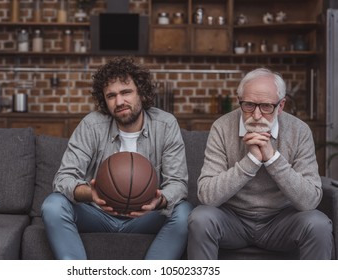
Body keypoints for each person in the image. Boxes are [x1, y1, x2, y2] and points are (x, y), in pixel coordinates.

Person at [41, 57, 192, 260]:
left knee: (185, 211)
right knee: (53, 205)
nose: (119, 102)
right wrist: (89, 193)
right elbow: (63, 179)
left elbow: (178, 183)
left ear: (141, 92)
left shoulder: (165, 124)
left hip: (146, 217)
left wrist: (159, 201)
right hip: (97, 215)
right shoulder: (91, 125)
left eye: (126, 92)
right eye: (111, 96)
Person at [187, 68, 333, 259]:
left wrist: (272, 158)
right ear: (239, 102)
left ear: (280, 106)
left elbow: (310, 200)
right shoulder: (222, 127)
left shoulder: (299, 130)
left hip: (282, 222)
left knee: (318, 223)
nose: (256, 115)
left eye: (266, 106)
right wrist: (252, 160)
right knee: (200, 218)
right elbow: (207, 196)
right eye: (248, 105)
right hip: (232, 220)